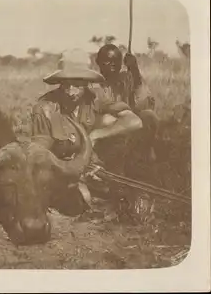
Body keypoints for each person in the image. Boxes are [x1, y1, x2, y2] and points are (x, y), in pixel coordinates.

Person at [31, 48, 145, 221]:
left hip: (93, 167)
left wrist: (96, 135)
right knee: (82, 198)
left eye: (77, 84)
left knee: (108, 120)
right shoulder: (45, 108)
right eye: (65, 84)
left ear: (86, 82)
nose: (70, 91)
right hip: (63, 173)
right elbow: (39, 158)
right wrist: (73, 170)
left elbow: (134, 121)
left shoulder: (95, 97)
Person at [94, 44, 160, 170]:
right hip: (109, 129)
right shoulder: (95, 83)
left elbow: (145, 100)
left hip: (130, 123)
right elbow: (105, 109)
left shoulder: (127, 77)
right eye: (108, 61)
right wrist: (124, 108)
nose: (113, 64)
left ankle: (144, 150)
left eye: (117, 61)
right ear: (99, 62)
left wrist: (134, 68)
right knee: (107, 119)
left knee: (149, 116)